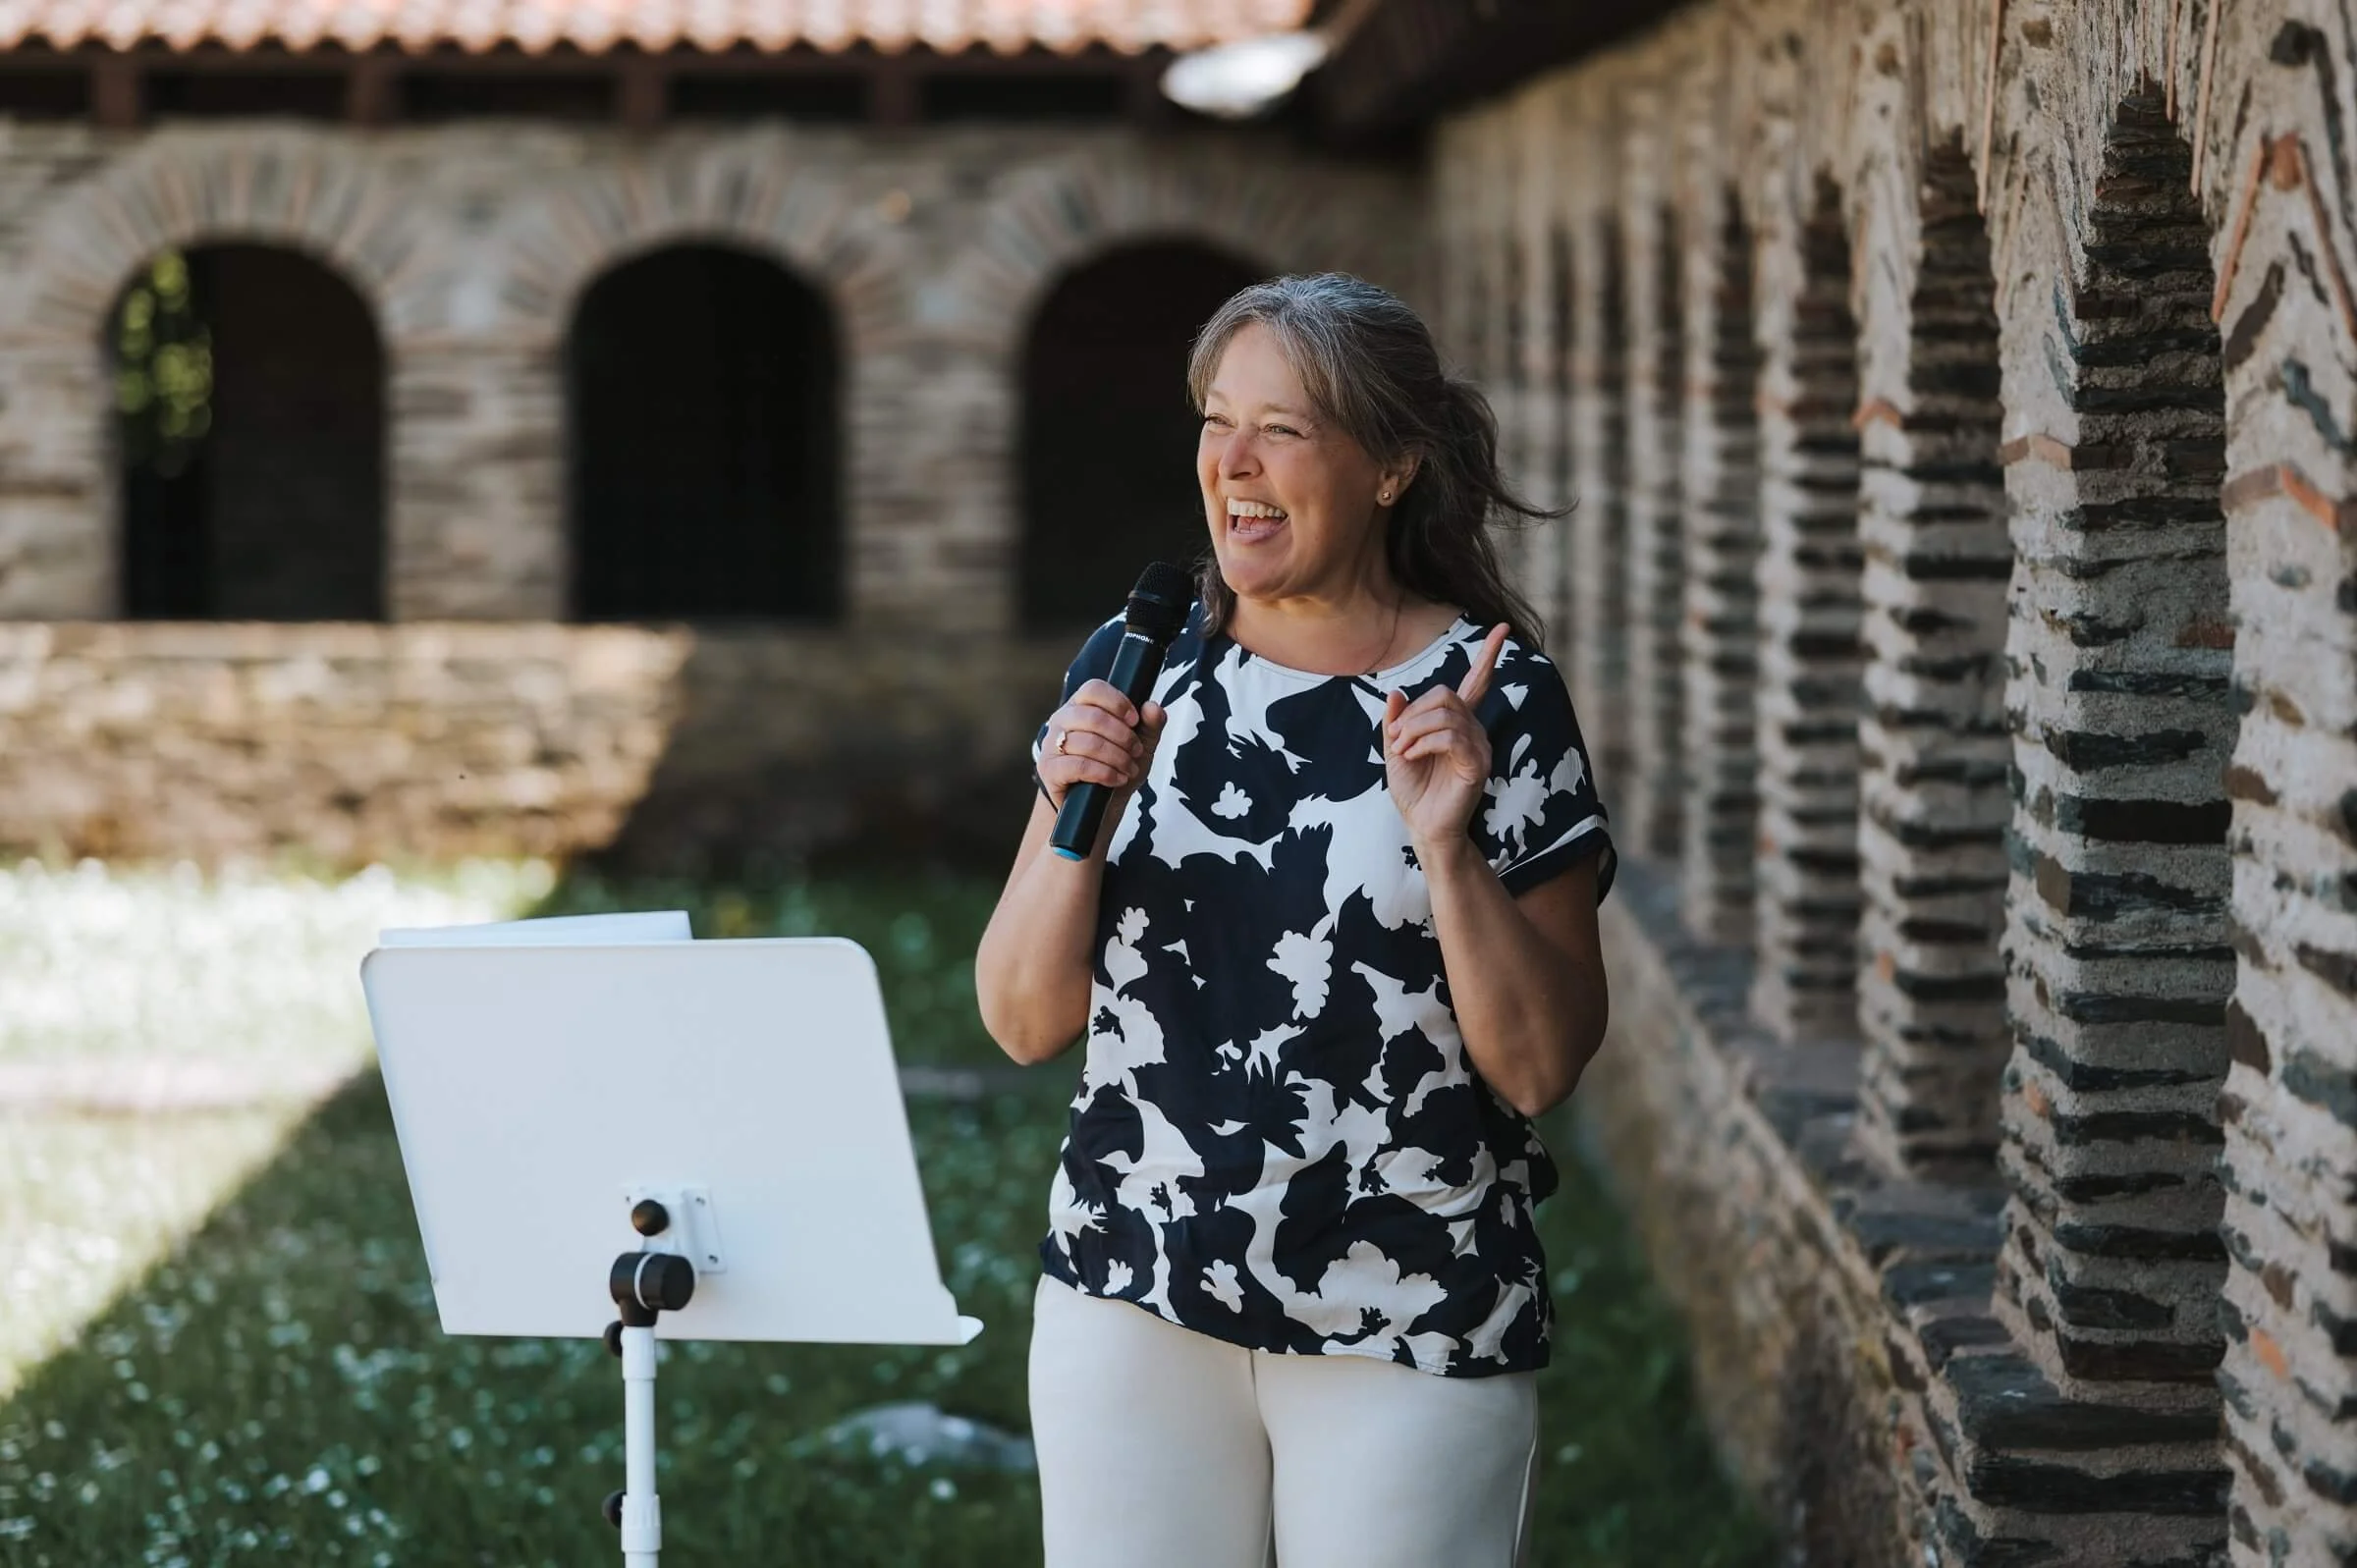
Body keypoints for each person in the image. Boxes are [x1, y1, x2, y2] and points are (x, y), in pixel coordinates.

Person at [974, 272, 1615, 1568]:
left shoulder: (1491, 697)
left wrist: (1447, 847)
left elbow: (1542, 1065)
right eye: (1218, 420)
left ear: (1389, 466)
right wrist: (1067, 807)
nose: (1236, 463)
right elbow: (1022, 1018)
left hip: (1409, 1308)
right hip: (1134, 1290)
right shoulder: (1136, 664)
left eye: (1285, 426)